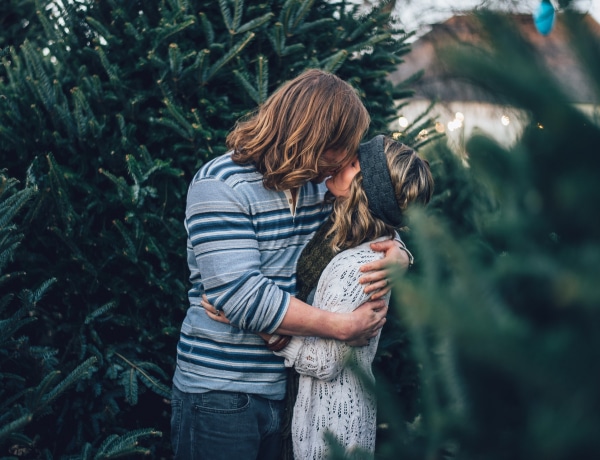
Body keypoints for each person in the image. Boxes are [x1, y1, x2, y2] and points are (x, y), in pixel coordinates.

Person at [170, 69, 411, 460]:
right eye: (342, 148)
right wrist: (340, 326)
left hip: (288, 390)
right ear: (313, 138)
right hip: (221, 393)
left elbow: (372, 214)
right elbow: (243, 297)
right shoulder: (221, 185)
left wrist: (400, 253)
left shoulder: (318, 185)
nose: (348, 159)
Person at [270, 135, 433, 459]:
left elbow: (327, 362)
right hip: (311, 406)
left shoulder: (362, 265)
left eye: (355, 163)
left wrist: (265, 330)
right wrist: (403, 251)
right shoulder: (345, 231)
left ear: (368, 190)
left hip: (331, 421)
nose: (343, 161)